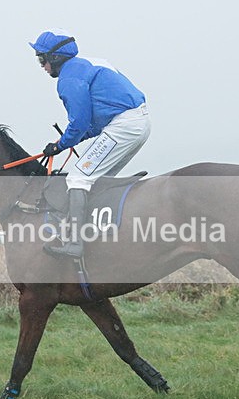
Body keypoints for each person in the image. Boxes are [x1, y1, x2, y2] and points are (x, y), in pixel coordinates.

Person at [30, 29, 151, 259]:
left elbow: (79, 122)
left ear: (54, 58)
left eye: (42, 59)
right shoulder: (89, 63)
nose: (42, 66)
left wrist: (61, 144)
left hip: (124, 126)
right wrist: (63, 142)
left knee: (78, 178)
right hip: (137, 122)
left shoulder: (68, 79)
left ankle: (75, 244)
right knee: (95, 179)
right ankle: (98, 235)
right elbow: (92, 125)